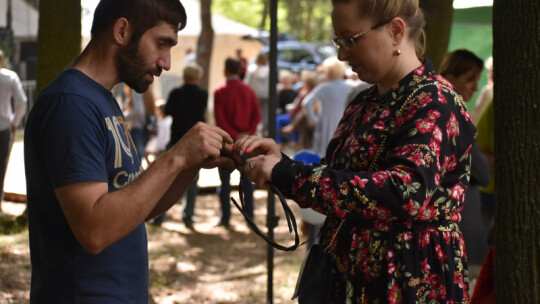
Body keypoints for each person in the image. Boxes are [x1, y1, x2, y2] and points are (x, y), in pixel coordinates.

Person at [234, 0, 476, 302]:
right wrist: (277, 162)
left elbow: (404, 192)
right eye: (338, 41)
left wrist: (288, 174)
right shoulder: (364, 101)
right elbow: (339, 180)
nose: (341, 54)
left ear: (395, 31)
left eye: (350, 39)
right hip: (348, 276)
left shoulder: (435, 101)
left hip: (406, 280)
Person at [23, 1, 234, 302]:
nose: (166, 63)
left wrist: (191, 163)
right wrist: (175, 157)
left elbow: (137, 205)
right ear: (122, 30)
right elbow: (94, 231)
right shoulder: (71, 104)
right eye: (162, 44)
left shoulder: (100, 99)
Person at [439, 49, 491, 265]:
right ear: (450, 77)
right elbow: (482, 172)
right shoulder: (454, 116)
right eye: (470, 79)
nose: (475, 87)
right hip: (461, 219)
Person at [214, 57, 261, 227]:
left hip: (227, 144)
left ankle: (225, 217)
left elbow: (220, 119)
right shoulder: (248, 90)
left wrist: (234, 136)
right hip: (246, 143)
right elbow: (257, 115)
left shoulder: (220, 91)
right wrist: (246, 134)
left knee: (225, 182)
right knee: (248, 180)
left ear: (225, 70)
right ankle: (250, 216)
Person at [160, 62, 208, 228]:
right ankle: (189, 216)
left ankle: (159, 215)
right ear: (198, 77)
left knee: (166, 179)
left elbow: (167, 111)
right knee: (192, 181)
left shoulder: (176, 93)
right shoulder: (203, 95)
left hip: (176, 140)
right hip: (195, 142)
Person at [302, 56, 351, 157]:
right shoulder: (350, 86)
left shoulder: (324, 87)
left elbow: (306, 103)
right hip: (344, 125)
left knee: (323, 155)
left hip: (325, 125)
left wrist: (313, 120)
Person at [0, 49, 27, 215]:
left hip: (4, 126)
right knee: (1, 165)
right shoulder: (9, 77)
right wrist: (15, 123)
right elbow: (22, 101)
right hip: (4, 127)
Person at [244, 53, 270, 135]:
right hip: (266, 95)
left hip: (255, 95)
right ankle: (264, 132)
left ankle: (254, 132)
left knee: (255, 115)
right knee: (265, 114)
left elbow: (247, 83)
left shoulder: (252, 70)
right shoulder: (269, 70)